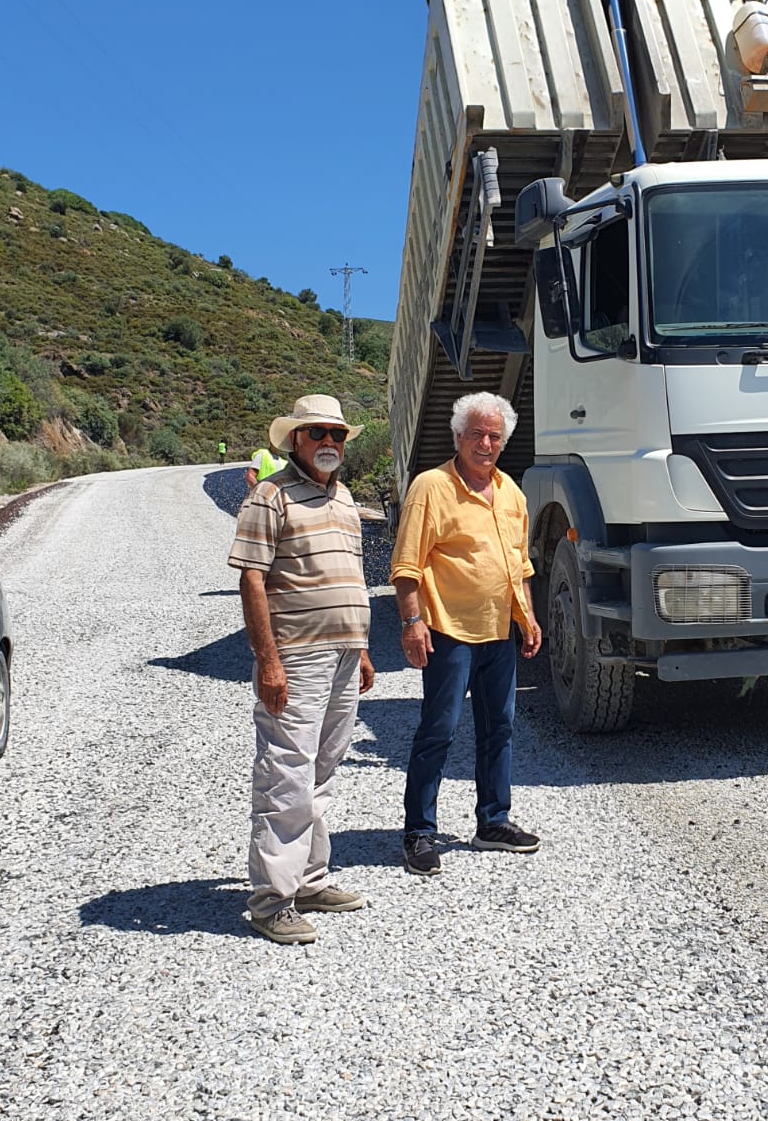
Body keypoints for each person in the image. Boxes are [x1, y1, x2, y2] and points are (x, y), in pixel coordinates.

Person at [228, 394, 375, 944]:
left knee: (321, 769)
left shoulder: (343, 499)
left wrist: (360, 648)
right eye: (317, 434)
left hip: (342, 654)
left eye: (336, 434)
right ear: (295, 441)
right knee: (285, 772)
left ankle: (309, 879)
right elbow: (252, 579)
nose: (329, 443)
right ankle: (271, 900)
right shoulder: (271, 496)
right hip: (297, 655)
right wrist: (268, 660)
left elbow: (351, 578)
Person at [392, 391, 542, 878]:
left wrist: (529, 618)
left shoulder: (512, 493)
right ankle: (419, 832)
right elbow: (406, 565)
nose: (486, 443)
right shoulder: (430, 487)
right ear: (457, 436)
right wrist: (412, 623)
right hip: (448, 632)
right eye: (476, 433)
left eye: (495, 436)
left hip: (499, 633)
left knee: (499, 729)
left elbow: (520, 565)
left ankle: (492, 822)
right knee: (439, 730)